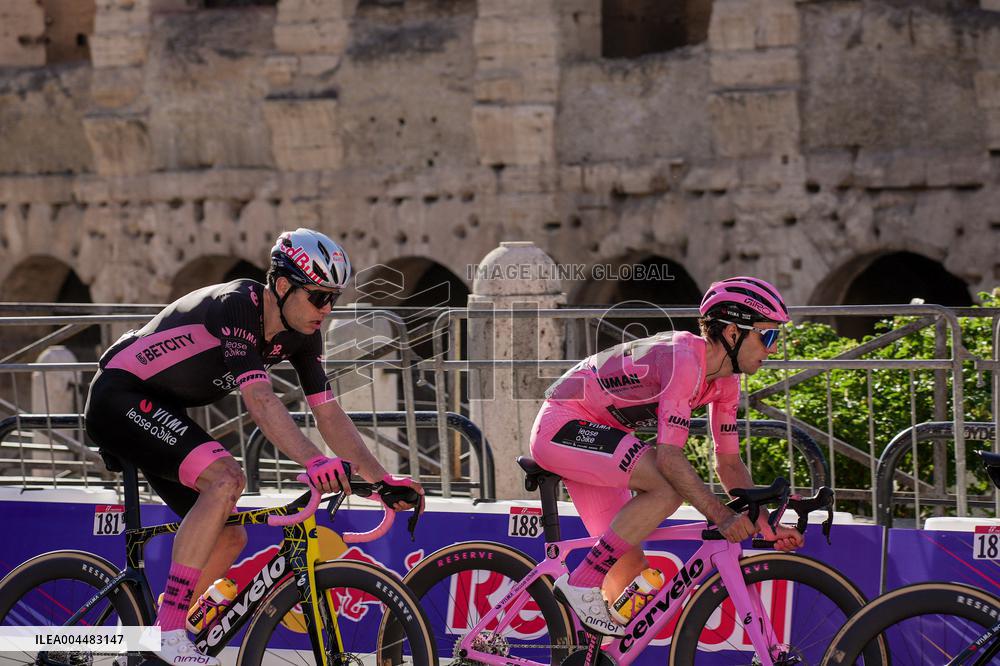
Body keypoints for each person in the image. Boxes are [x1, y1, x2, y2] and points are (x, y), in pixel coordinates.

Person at [85, 228, 422, 665]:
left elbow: (329, 414)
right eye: (319, 296)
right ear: (282, 286)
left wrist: (380, 482)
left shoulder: (302, 333)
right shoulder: (238, 306)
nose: (327, 309)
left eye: (333, 299)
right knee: (227, 478)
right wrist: (314, 460)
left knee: (229, 536)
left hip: (161, 408)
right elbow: (260, 401)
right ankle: (168, 633)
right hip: (120, 396)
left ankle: (148, 642)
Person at [531, 276, 804, 637]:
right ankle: (580, 580)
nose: (772, 349)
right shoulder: (684, 360)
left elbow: (729, 463)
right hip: (562, 424)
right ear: (734, 333)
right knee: (667, 488)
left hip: (599, 437)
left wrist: (764, 521)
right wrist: (721, 515)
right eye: (767, 336)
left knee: (629, 580)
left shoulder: (726, 382)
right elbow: (669, 460)